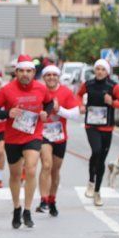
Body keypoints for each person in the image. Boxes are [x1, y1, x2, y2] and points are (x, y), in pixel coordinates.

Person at [0, 55, 55, 229]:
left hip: (33, 135)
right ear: (16, 72)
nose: (25, 74)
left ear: (33, 72)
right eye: (22, 71)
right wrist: (7, 114)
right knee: (15, 175)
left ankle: (27, 210)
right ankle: (17, 207)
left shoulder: (40, 88)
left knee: (31, 169)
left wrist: (45, 112)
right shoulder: (7, 90)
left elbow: (49, 102)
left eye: (29, 71)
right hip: (13, 137)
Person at [76, 59, 119, 206]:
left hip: (107, 127)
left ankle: (98, 192)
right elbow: (78, 95)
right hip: (91, 125)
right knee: (96, 151)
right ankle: (91, 182)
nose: (99, 71)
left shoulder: (114, 87)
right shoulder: (88, 84)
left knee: (102, 159)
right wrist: (80, 105)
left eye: (102, 69)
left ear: (107, 72)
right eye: (97, 69)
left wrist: (112, 103)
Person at [37, 65, 83, 216]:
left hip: (59, 136)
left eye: (54, 75)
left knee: (55, 170)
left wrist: (59, 110)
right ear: (44, 77)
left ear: (58, 77)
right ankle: (43, 200)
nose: (51, 77)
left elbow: (76, 114)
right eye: (48, 75)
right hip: (43, 134)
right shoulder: (38, 91)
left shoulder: (65, 92)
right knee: (46, 165)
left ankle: (52, 199)